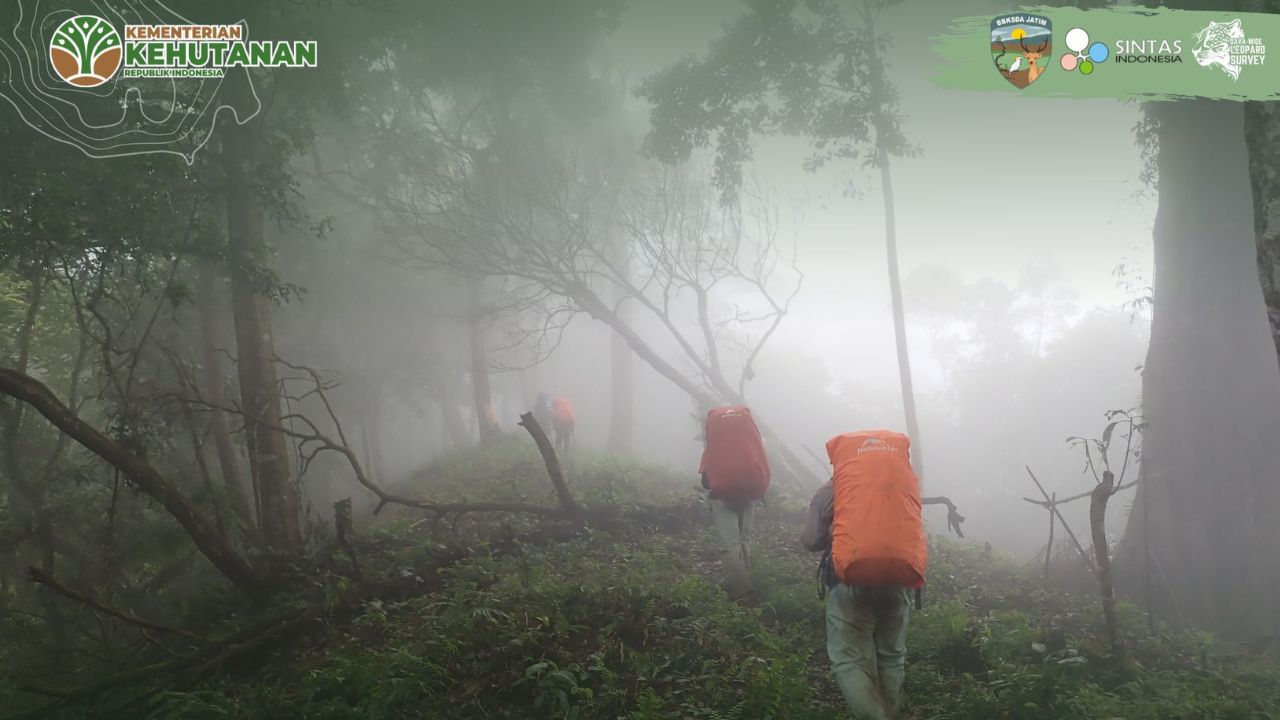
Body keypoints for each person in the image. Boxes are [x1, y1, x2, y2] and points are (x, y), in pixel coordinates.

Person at [801, 431, 926, 720]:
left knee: (850, 660)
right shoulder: (904, 483)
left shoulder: (832, 489)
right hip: (898, 582)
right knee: (892, 659)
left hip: (849, 582)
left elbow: (809, 539)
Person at [698, 405, 770, 598]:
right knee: (744, 540)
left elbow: (705, 482)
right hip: (749, 494)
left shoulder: (715, 445)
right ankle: (746, 578)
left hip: (722, 498)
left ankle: (745, 590)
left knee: (729, 545)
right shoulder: (752, 444)